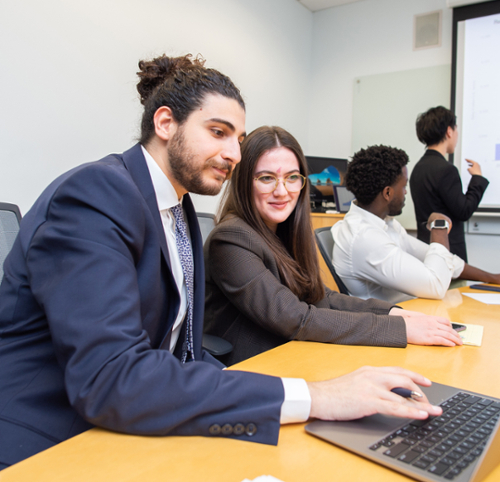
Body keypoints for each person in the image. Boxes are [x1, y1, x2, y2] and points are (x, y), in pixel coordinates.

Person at [0, 56, 444, 470]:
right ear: (166, 123)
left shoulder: (179, 210)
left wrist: (298, 401)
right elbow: (112, 376)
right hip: (47, 439)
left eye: (238, 138)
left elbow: (182, 354)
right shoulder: (97, 193)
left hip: (138, 417)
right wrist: (313, 396)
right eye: (218, 132)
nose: (234, 153)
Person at [203, 126, 462, 367]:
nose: (282, 191)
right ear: (244, 182)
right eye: (266, 178)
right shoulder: (231, 239)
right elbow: (295, 318)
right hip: (255, 367)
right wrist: (400, 330)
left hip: (296, 352)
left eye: (292, 178)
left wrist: (395, 314)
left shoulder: (283, 231)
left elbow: (322, 297)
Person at [332, 145, 500, 304]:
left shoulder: (385, 223)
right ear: (388, 193)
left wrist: (492, 278)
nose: (405, 192)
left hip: (409, 313)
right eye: (404, 185)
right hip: (386, 325)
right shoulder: (365, 238)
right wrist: (439, 227)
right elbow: (436, 285)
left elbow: (441, 259)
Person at [410, 106, 489, 262]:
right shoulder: (446, 170)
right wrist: (477, 179)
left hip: (425, 252)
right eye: (456, 129)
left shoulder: (417, 169)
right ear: (449, 131)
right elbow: (464, 211)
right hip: (448, 254)